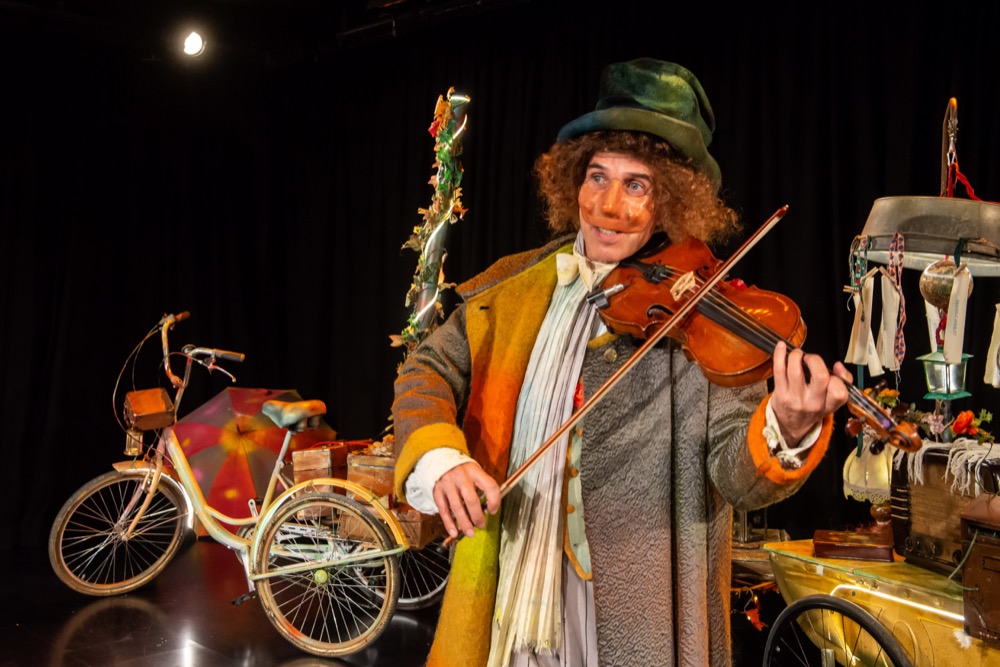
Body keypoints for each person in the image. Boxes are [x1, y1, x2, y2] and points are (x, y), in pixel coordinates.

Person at [392, 59, 850, 667]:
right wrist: (442, 460)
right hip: (509, 585)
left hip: (639, 607)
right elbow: (426, 370)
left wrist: (786, 427)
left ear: (671, 202)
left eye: (637, 185)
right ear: (573, 182)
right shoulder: (513, 288)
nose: (608, 206)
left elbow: (737, 478)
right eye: (597, 177)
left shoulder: (703, 317)